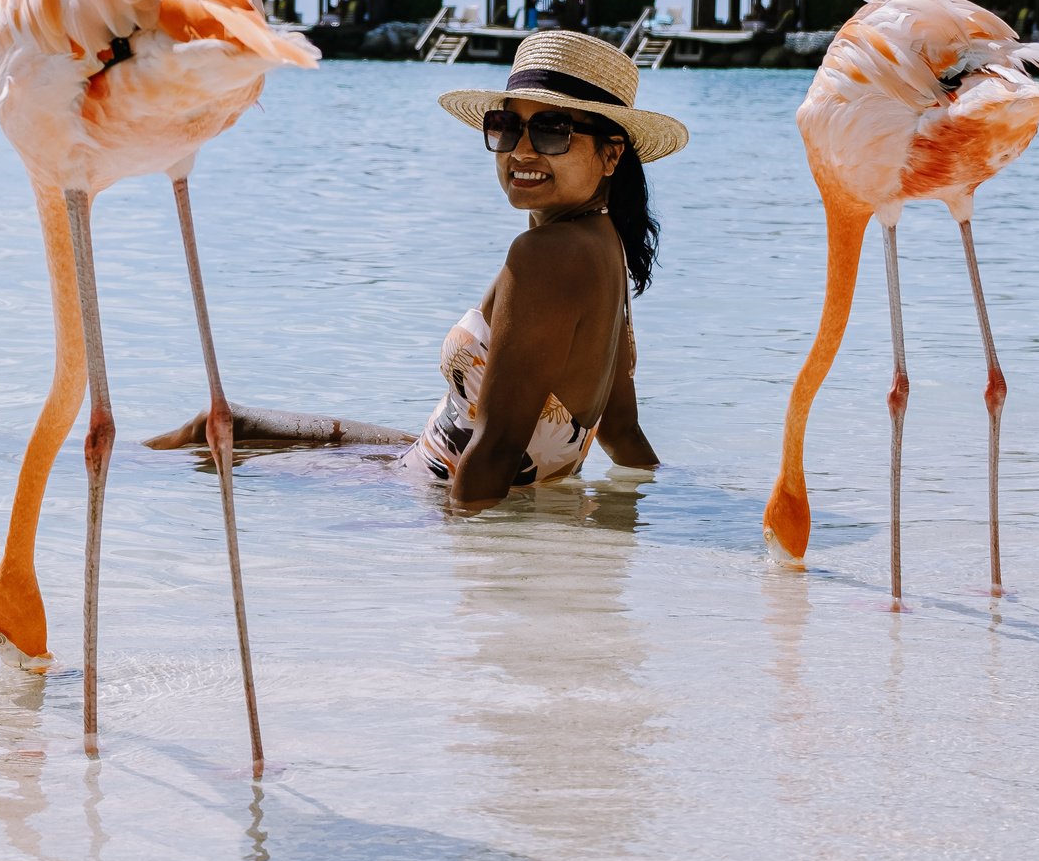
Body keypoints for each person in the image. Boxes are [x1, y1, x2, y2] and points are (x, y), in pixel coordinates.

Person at [147, 32, 686, 507]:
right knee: (229, 424)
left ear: (612, 154)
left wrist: (450, 573)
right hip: (424, 457)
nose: (521, 150)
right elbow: (620, 430)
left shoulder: (548, 256)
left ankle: (102, 492)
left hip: (424, 486)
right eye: (506, 127)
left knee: (210, 433)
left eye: (552, 131)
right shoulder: (603, 245)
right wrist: (667, 505)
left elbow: (496, 453)